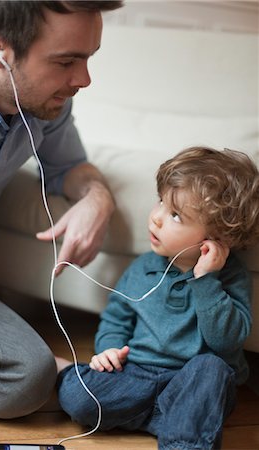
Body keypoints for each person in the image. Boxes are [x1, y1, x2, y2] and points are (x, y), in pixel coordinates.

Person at [0, 0, 123, 419]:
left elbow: (69, 167)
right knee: (29, 376)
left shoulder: (43, 101)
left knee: (26, 375)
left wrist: (96, 198)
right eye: (67, 61)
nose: (83, 79)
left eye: (87, 59)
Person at [58, 147, 259, 450]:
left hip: (191, 386)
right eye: (161, 203)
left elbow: (226, 341)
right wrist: (109, 348)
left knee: (213, 369)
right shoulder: (143, 268)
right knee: (80, 399)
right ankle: (163, 419)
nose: (157, 219)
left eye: (175, 215)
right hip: (137, 375)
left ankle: (179, 437)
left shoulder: (231, 277)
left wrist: (205, 280)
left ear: (218, 237)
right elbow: (117, 318)